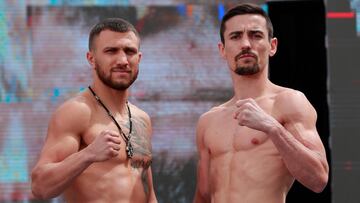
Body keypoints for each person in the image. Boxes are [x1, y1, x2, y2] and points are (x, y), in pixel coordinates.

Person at [193, 3, 329, 203]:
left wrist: (272, 127)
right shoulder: (208, 121)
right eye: (236, 36)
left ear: (272, 46)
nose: (246, 44)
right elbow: (204, 195)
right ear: (222, 49)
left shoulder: (289, 102)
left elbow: (318, 179)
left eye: (255, 35)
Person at [31, 18, 158, 203]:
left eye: (129, 51)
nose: (122, 60)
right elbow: (40, 187)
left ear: (139, 58)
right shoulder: (77, 112)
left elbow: (147, 192)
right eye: (111, 51)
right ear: (92, 59)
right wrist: (88, 154)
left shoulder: (142, 119)